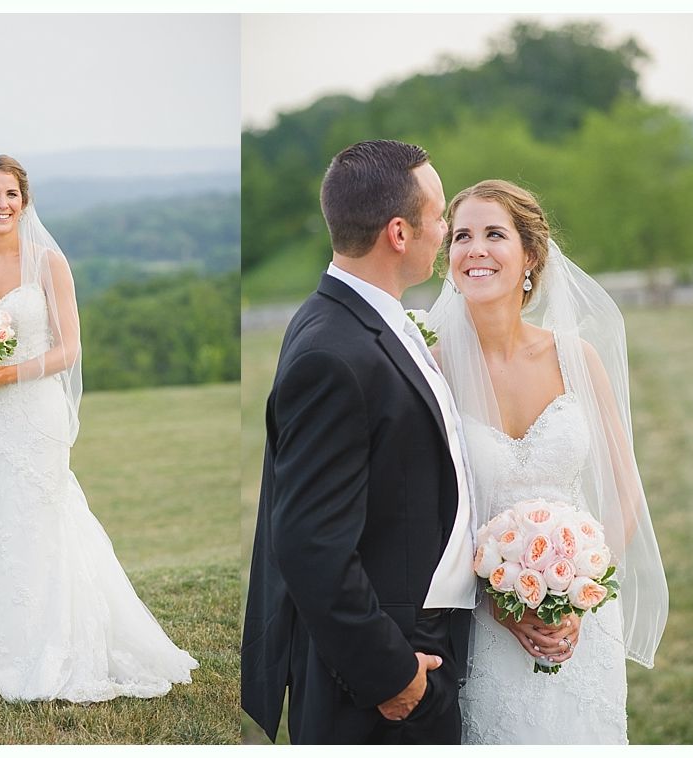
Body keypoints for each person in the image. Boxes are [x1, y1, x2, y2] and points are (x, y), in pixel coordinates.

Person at [242, 140, 477, 744]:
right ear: (399, 233)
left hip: (420, 641)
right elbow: (309, 543)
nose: (447, 228)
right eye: (440, 214)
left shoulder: (364, 319)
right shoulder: (334, 351)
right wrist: (391, 676)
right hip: (381, 675)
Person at [0, 155, 198, 703]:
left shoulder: (47, 263)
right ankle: (0, 645)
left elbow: (69, 350)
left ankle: (56, 644)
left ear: (25, 202)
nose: (2, 204)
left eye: (12, 194)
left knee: (42, 523)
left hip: (34, 413)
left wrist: (6, 371)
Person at [427, 179, 668, 744]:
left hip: (581, 614)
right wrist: (501, 601)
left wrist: (582, 589)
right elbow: (431, 511)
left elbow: (626, 487)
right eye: (461, 236)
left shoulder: (573, 356)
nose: (475, 249)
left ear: (530, 255)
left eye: (494, 234)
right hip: (484, 616)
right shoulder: (433, 369)